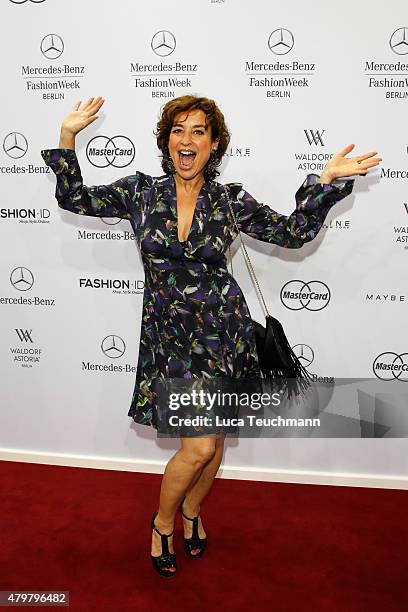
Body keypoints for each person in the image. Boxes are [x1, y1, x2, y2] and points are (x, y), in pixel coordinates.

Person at [41, 94, 382, 577]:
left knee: (215, 445)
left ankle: (192, 512)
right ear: (166, 141)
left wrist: (323, 182)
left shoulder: (229, 200)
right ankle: (162, 524)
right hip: (170, 340)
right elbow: (74, 198)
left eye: (199, 131)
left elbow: (292, 233)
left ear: (214, 143)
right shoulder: (140, 192)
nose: (187, 140)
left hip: (225, 336)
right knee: (198, 447)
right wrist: (68, 136)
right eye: (178, 130)